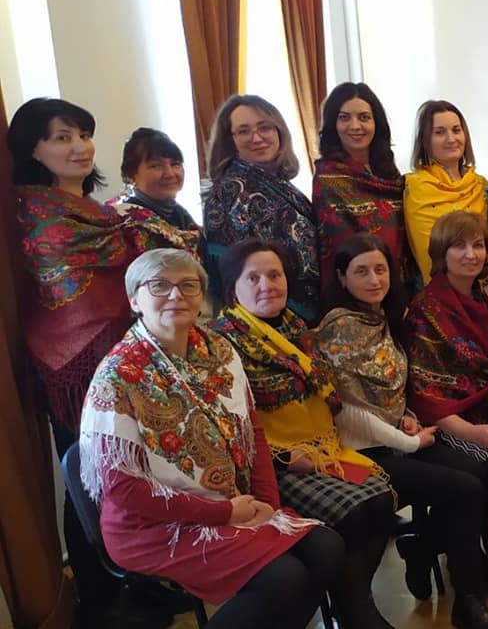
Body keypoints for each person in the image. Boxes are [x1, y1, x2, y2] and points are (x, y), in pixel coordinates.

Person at [77, 248, 340, 628]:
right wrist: (225, 513)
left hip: (232, 502)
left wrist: (267, 504)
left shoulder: (219, 351)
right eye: (159, 286)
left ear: (201, 296)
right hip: (153, 527)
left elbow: (252, 433)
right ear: (134, 300)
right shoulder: (117, 375)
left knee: (327, 549)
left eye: (188, 285)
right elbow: (124, 490)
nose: (176, 295)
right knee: (284, 578)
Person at [9, 97, 196, 626]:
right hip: (73, 366)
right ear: (34, 150)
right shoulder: (34, 216)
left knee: (141, 469)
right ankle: (99, 595)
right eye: (62, 137)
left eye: (84, 135)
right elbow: (61, 297)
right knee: (91, 479)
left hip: (128, 354)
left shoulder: (105, 214)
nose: (80, 147)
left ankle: (146, 579)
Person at [315, 233, 488, 628]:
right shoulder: (341, 329)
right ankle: (468, 598)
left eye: (380, 269)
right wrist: (407, 440)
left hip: (396, 438)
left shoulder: (383, 319)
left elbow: (389, 389)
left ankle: (427, 549)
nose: (374, 280)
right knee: (465, 489)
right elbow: (346, 410)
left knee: (479, 471)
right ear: (342, 277)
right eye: (361, 272)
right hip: (361, 452)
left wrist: (405, 416)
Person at [209, 239, 397, 629]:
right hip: (271, 465)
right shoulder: (222, 343)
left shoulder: (297, 329)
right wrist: (283, 458)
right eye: (253, 278)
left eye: (274, 275)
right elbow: (225, 426)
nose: (267, 285)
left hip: (322, 448)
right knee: (355, 511)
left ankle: (353, 603)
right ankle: (359, 614)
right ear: (232, 288)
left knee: (381, 500)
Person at [404, 211, 488, 616]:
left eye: (478, 245)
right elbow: (425, 393)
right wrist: (471, 433)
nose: (470, 254)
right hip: (438, 422)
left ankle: (431, 545)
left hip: (481, 410)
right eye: (458, 245)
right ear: (441, 253)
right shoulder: (426, 309)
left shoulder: (481, 298)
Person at [202, 94, 322, 323]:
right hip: (270, 317)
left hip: (305, 313)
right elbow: (231, 275)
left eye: (265, 127)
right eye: (243, 131)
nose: (257, 138)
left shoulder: (281, 184)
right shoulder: (230, 191)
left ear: (278, 131)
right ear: (229, 141)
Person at [312, 82, 410, 296]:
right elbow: (338, 244)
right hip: (357, 288)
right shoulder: (328, 178)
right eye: (344, 117)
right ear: (333, 124)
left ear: (376, 123)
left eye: (364, 117)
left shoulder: (389, 173)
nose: (355, 126)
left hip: (400, 283)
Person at [404, 100, 488, 286]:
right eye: (440, 132)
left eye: (456, 130)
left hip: (484, 291)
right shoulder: (413, 186)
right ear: (425, 140)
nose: (451, 139)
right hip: (435, 294)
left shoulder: (481, 186)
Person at [108, 127, 199, 234]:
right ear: (130, 175)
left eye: (175, 164)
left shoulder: (181, 215)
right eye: (155, 166)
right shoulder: (124, 221)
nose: (169, 174)